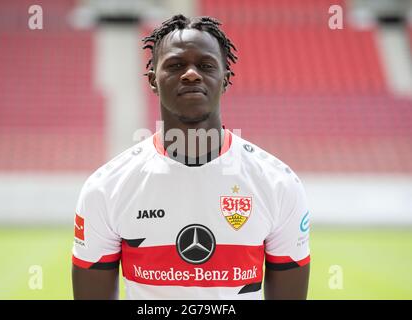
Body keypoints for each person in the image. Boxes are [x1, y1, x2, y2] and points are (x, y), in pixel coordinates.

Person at [72, 14, 310, 300]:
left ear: (225, 79)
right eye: (175, 65)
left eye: (206, 66)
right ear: (153, 80)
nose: (191, 74)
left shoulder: (278, 184)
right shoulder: (106, 188)